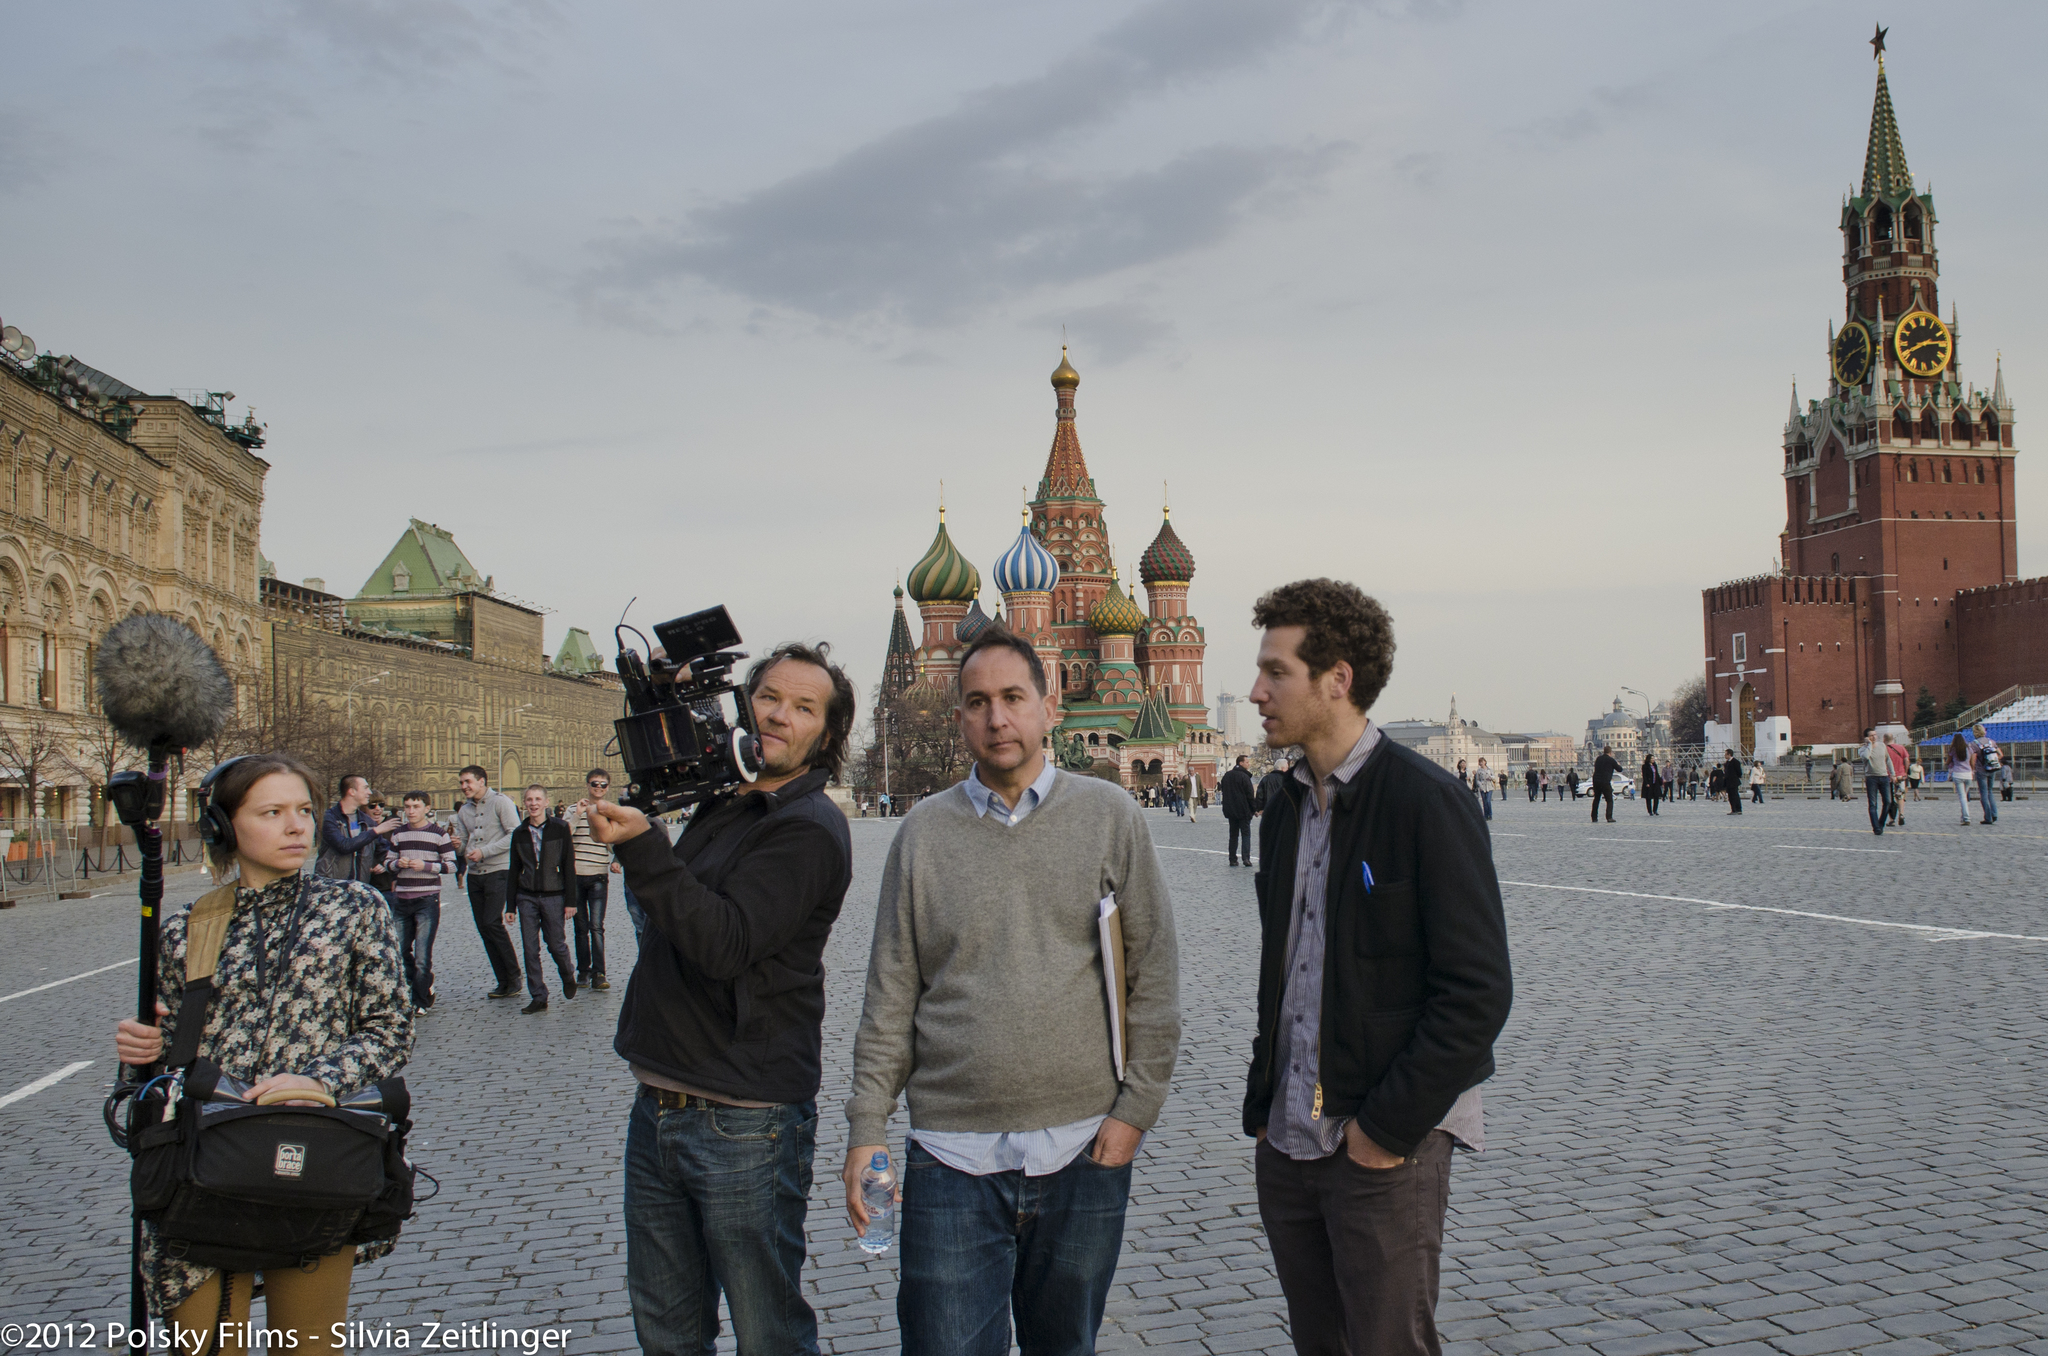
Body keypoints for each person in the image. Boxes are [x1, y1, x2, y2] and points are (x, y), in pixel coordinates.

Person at [844, 627, 1180, 1356]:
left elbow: (1153, 970)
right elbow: (890, 993)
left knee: (1067, 1346)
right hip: (950, 1157)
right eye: (977, 702)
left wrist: (1135, 1111)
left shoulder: (1109, 817)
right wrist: (868, 1124)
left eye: (1013, 698)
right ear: (959, 716)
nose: (997, 718)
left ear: (1049, 706)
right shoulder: (923, 834)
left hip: (1083, 1151)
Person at [1240, 579, 1511, 1355]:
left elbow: (1479, 991)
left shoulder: (1426, 802)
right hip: (1291, 1144)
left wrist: (1383, 1132)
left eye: (1275, 672)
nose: (1256, 692)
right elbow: (1285, 974)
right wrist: (1265, 1112)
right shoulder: (1287, 806)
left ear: (1338, 679)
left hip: (1385, 1147)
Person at [584, 641, 856, 1356]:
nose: (778, 716)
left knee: (767, 1333)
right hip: (661, 1107)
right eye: (768, 697)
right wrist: (660, 698)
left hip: (744, 1120)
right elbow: (662, 768)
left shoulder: (806, 828)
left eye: (803, 708)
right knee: (668, 1332)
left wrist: (644, 850)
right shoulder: (728, 802)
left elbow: (725, 944)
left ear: (824, 736)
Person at [112, 753, 412, 1352]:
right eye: (272, 812)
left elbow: (390, 1030)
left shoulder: (355, 909)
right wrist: (141, 1053)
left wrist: (318, 1081)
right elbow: (155, 1077)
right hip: (204, 1166)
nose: (297, 826)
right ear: (225, 826)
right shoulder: (187, 927)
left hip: (312, 1158)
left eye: (303, 810)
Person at [502, 785, 579, 1014]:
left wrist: (571, 901)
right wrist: (510, 905)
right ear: (524, 803)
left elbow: (568, 865)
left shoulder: (560, 828)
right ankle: (538, 996)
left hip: (554, 895)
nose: (533, 803)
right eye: (529, 800)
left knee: (556, 944)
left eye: (537, 799)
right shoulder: (519, 832)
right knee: (529, 948)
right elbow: (514, 869)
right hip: (526, 896)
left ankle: (567, 973)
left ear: (546, 802)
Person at [452, 766, 523, 1000]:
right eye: (462, 782)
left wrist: (485, 851)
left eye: (468, 782)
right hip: (475, 875)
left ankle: (514, 976)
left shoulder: (501, 802)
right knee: (484, 928)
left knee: (492, 923)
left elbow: (515, 834)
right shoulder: (463, 810)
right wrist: (457, 846)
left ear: (482, 781)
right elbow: (464, 844)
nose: (464, 786)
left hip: (499, 870)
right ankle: (502, 981)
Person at [386, 791, 457, 1014]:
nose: (410, 811)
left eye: (415, 806)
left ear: (427, 808)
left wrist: (425, 866)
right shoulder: (398, 834)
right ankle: (418, 987)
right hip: (402, 898)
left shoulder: (438, 834)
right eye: (407, 806)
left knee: (422, 954)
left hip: (427, 899)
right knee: (400, 950)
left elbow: (452, 865)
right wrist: (398, 863)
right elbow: (387, 863)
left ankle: (419, 1001)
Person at [563, 767, 623, 990]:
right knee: (580, 927)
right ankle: (583, 971)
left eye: (603, 784)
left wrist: (617, 859)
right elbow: (563, 836)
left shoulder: (611, 811)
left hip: (598, 874)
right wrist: (578, 814)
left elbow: (618, 840)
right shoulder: (572, 809)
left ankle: (599, 973)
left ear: (607, 788)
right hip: (576, 875)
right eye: (594, 783)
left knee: (596, 926)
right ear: (587, 785)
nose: (598, 787)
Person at [317, 774, 402, 881]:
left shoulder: (367, 821)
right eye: (365, 788)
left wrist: (395, 861)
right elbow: (343, 846)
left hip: (359, 887)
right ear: (352, 791)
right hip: (332, 887)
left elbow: (384, 851)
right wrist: (376, 831)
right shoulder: (329, 818)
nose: (370, 792)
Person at [1219, 754, 1257, 867]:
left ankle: (1232, 859)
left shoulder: (1227, 776)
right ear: (1240, 763)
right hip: (1243, 810)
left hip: (1230, 810)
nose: (1248, 764)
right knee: (1245, 835)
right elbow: (1250, 795)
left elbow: (1224, 791)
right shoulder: (1244, 777)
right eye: (1247, 762)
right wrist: (1254, 809)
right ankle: (1246, 858)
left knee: (1233, 835)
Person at [1856, 728, 1892, 835]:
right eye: (1871, 735)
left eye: (1875, 735)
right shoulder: (1863, 749)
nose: (1874, 737)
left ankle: (1880, 823)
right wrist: (1869, 745)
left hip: (1884, 776)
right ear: (1866, 737)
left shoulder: (1882, 746)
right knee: (1873, 804)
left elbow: (1888, 759)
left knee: (1888, 801)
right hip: (1871, 778)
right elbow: (1866, 757)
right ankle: (1876, 827)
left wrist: (1893, 773)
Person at [1971, 724, 2002, 824]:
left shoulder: (1974, 744)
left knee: (1983, 793)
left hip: (1981, 770)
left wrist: (1973, 768)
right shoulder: (1991, 742)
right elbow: (2000, 755)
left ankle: (1988, 817)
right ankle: (1994, 813)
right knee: (1990, 791)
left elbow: (1973, 759)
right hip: (1992, 769)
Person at [1945, 732, 1975, 826]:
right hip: (1968, 774)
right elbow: (1972, 762)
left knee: (1962, 797)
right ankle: (1964, 816)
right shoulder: (1969, 749)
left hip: (1958, 774)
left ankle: (1966, 817)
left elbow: (1948, 762)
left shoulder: (1953, 750)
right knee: (1965, 796)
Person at [1589, 744, 1618, 824]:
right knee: (1609, 800)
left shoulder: (1598, 759)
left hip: (1596, 781)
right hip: (1605, 781)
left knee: (1596, 799)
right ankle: (1609, 817)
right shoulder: (1611, 760)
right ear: (1610, 752)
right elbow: (1619, 769)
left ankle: (1594, 817)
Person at [1885, 735, 1910, 826]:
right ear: (1893, 739)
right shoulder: (1901, 748)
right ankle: (1901, 814)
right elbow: (1906, 760)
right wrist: (1905, 772)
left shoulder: (1885, 749)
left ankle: (1892, 819)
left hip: (1888, 776)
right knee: (1900, 796)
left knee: (1889, 798)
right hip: (1900, 775)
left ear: (1884, 739)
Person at [1721, 748, 1744, 815]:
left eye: (1725, 754)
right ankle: (1733, 809)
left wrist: (1734, 777)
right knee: (1730, 796)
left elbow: (1739, 772)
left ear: (1729, 754)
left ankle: (1738, 809)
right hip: (1728, 782)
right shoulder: (1726, 763)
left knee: (1735, 796)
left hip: (1734, 781)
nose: (1724, 756)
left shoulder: (1735, 762)